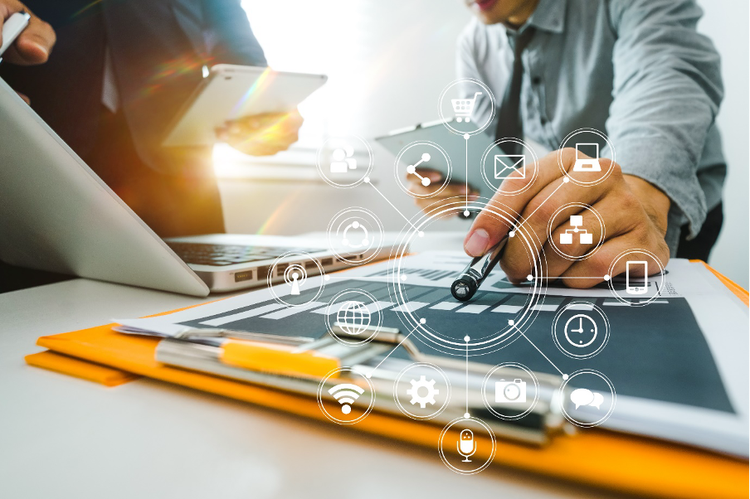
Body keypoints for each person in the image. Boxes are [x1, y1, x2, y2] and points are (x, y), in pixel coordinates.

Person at [409, 0, 725, 288]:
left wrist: (640, 194)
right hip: (574, 220)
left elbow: (665, 78)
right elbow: (490, 155)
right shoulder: (475, 43)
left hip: (670, 208)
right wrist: (465, 196)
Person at [0, 0, 301, 292]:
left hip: (180, 187)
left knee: (199, 320)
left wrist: (264, 111)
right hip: (35, 172)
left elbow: (243, 61)